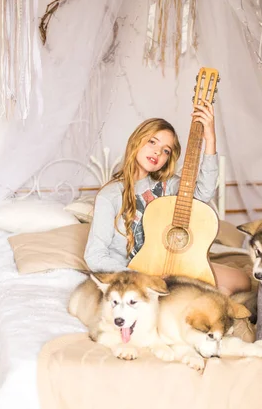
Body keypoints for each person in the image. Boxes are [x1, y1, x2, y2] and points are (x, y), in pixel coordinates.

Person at [84, 102, 251, 295]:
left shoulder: (169, 184)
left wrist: (210, 139)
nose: (157, 152)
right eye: (152, 142)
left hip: (174, 264)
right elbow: (95, 255)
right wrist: (139, 275)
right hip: (135, 273)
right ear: (136, 141)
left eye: (166, 150)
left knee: (242, 280)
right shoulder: (110, 195)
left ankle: (204, 300)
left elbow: (203, 194)